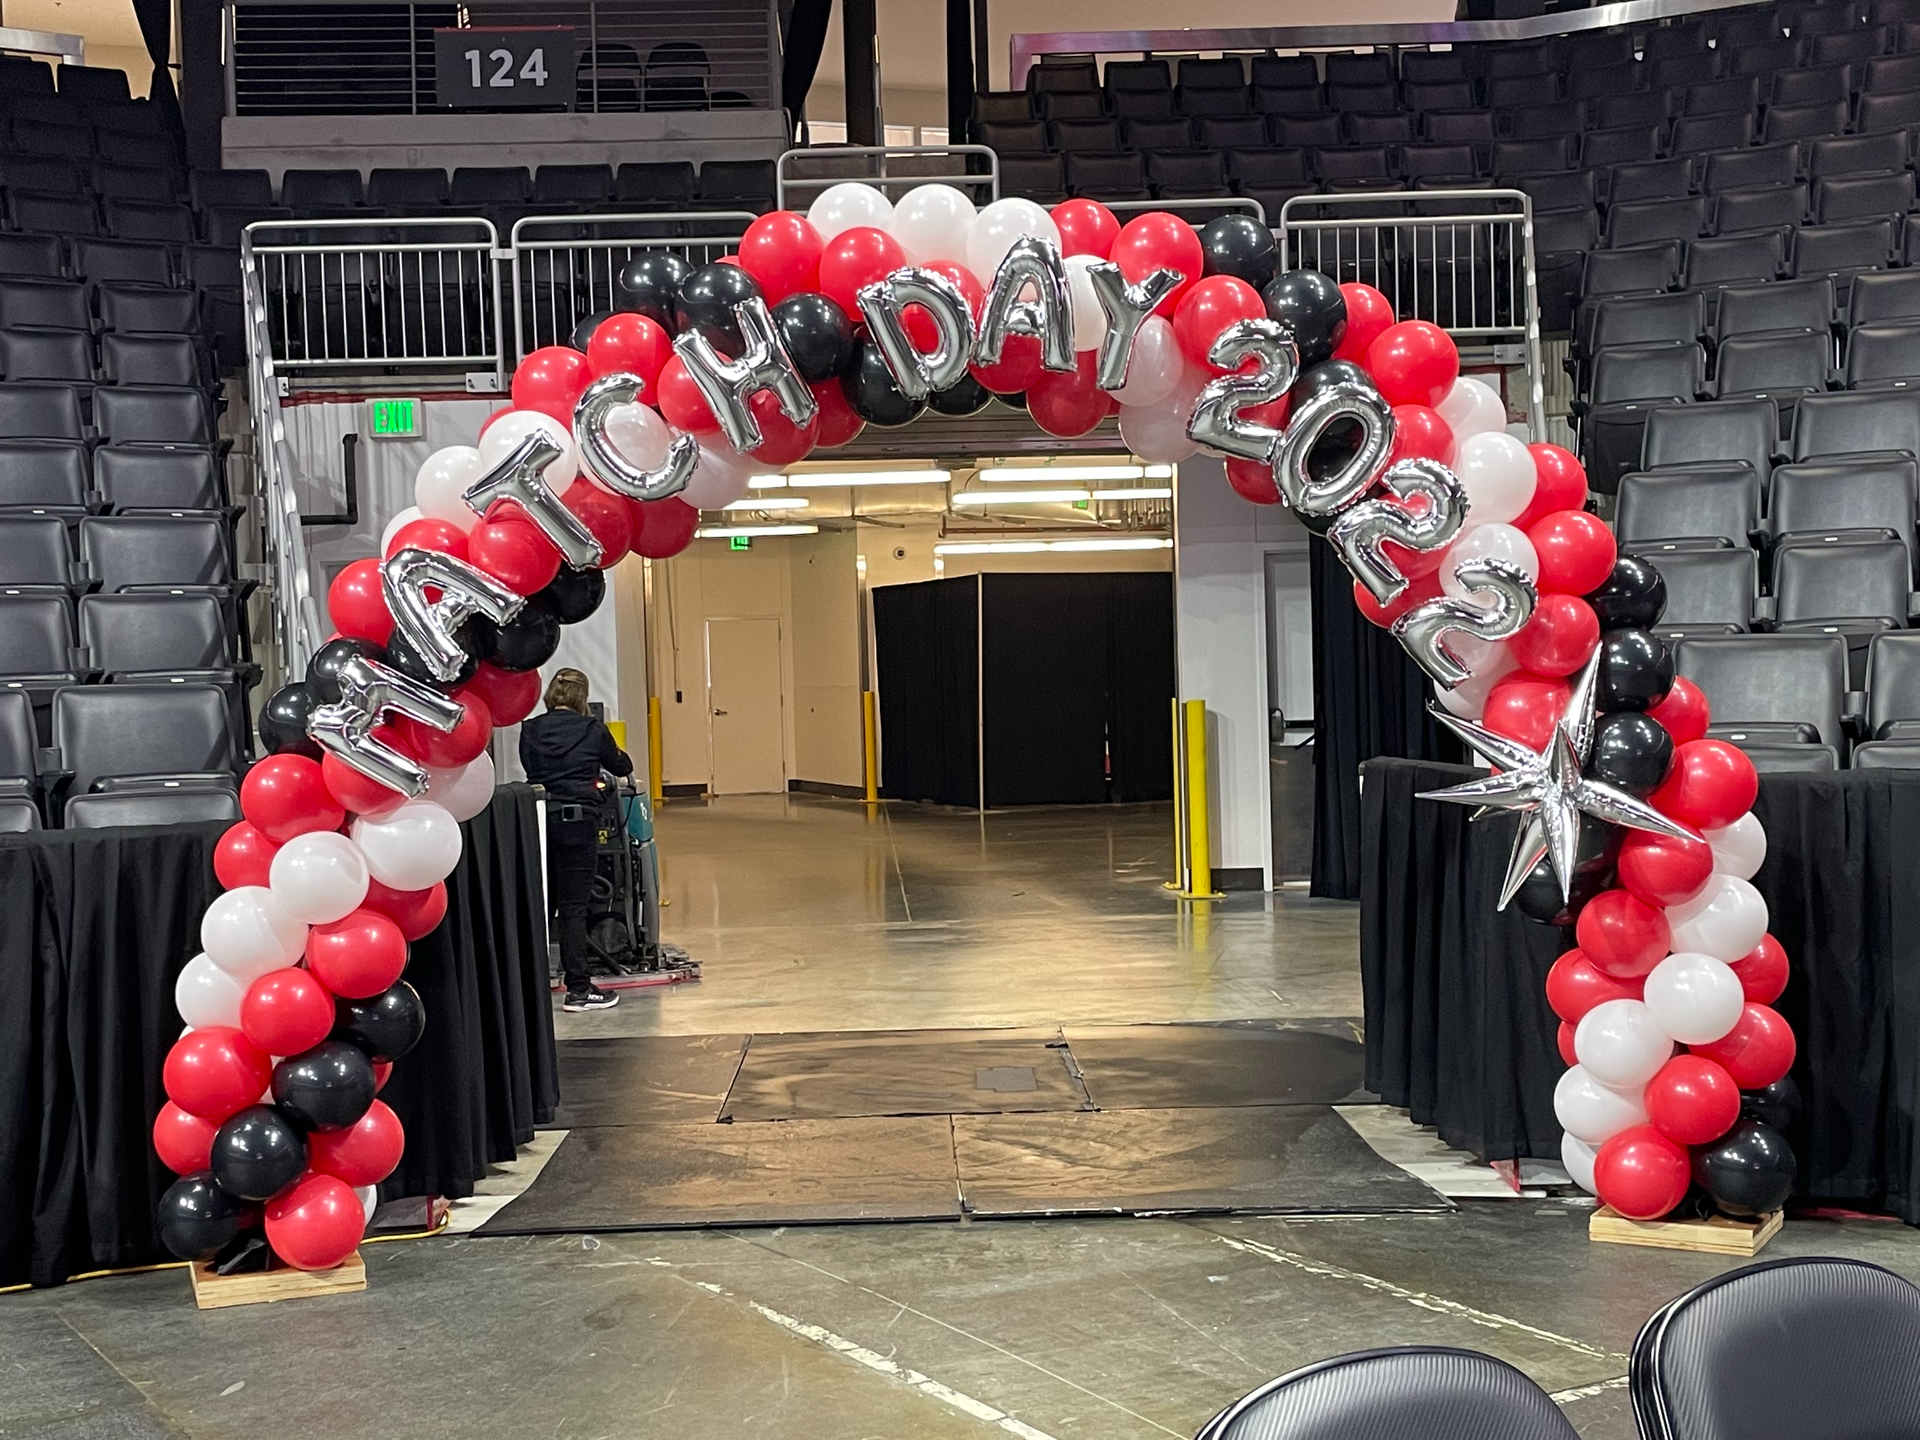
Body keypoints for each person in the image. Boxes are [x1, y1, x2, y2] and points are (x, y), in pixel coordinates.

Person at [518, 668, 632, 1012]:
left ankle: (529, 986)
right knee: (573, 908)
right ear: (581, 698)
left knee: (540, 904)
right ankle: (579, 989)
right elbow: (621, 765)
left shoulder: (530, 730)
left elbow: (530, 769)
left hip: (539, 821)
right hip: (579, 824)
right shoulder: (592, 729)